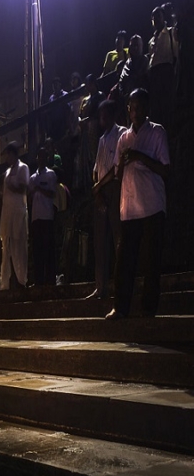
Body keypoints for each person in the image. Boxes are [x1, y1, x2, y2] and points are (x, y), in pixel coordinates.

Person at [107, 89, 171, 320]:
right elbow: (117, 173)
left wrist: (140, 157)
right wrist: (124, 162)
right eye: (131, 107)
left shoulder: (157, 132)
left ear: (147, 108)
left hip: (152, 204)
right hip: (130, 207)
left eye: (139, 107)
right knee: (124, 260)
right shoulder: (123, 138)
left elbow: (165, 169)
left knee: (151, 259)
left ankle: (148, 308)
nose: (135, 111)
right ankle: (120, 307)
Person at [88, 99, 127, 300]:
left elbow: (116, 167)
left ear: (112, 115)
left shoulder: (121, 133)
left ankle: (121, 285)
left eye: (105, 115)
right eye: (100, 115)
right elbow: (96, 168)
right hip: (101, 192)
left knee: (118, 238)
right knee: (100, 242)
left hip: (114, 188)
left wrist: (100, 186)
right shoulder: (102, 139)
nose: (102, 119)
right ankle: (100, 287)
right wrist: (97, 191)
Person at [0, 141, 30, 290]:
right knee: (6, 248)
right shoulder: (7, 172)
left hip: (18, 213)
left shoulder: (23, 168)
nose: (6, 158)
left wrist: (13, 187)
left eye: (7, 155)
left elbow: (24, 188)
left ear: (13, 154)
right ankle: (4, 284)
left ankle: (22, 281)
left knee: (19, 247)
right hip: (7, 214)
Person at [28, 148, 58, 286]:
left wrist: (39, 188)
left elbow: (52, 194)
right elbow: (30, 195)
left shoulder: (50, 174)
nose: (40, 159)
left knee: (48, 250)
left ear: (46, 159)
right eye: (38, 157)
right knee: (37, 250)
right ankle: (39, 280)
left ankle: (50, 279)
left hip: (47, 217)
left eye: (43, 157)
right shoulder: (32, 178)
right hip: (36, 218)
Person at [149, 6, 180, 129]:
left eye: (158, 16)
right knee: (157, 107)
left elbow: (176, 53)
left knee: (168, 104)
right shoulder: (151, 40)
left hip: (166, 71)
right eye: (154, 18)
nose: (156, 20)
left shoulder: (171, 32)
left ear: (163, 18)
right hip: (154, 73)